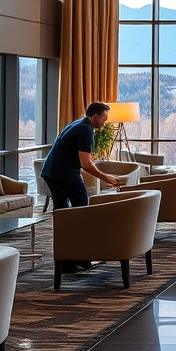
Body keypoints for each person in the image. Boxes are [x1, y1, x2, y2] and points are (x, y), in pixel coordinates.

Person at [41, 101, 123, 272]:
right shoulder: (85, 130)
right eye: (103, 119)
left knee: (63, 214)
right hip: (65, 173)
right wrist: (105, 177)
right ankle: (79, 258)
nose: (105, 122)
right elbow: (85, 164)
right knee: (81, 213)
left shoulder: (78, 123)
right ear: (95, 117)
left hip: (51, 172)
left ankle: (67, 262)